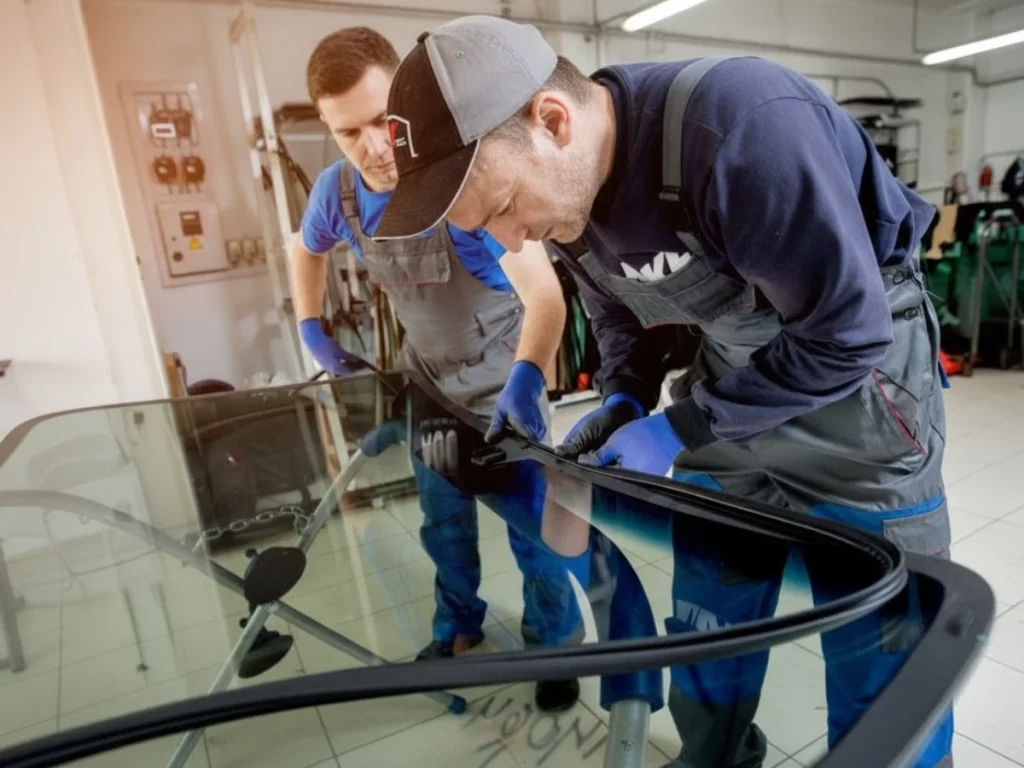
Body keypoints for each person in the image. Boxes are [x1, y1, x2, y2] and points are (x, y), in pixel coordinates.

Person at [374, 15, 953, 768]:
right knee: (708, 620)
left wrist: (680, 430)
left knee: (884, 646)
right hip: (731, 385)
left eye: (504, 208)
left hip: (861, 399)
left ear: (552, 121)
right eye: (492, 229)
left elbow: (846, 331)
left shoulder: (738, 131)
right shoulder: (566, 198)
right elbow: (621, 313)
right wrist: (624, 397)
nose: (515, 241)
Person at [292, 26, 583, 712]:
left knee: (535, 530)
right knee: (443, 521)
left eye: (380, 120)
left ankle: (557, 646)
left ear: (406, 102)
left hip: (504, 385)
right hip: (429, 387)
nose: (372, 146)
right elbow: (304, 249)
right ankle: (457, 628)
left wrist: (525, 381)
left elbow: (546, 297)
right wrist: (310, 328)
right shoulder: (337, 193)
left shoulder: (465, 181)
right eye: (347, 132)